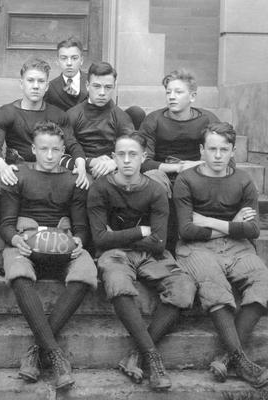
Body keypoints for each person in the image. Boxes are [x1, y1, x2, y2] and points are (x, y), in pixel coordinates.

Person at [87, 133, 196, 391]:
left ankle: (137, 354)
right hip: (115, 254)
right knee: (116, 279)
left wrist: (119, 237)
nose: (126, 160)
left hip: (150, 255)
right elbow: (100, 240)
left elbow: (159, 243)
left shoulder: (156, 190)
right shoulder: (100, 189)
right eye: (121, 155)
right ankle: (154, 358)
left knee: (183, 288)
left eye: (132, 155)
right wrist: (140, 232)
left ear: (143, 158)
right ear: (113, 157)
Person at [173, 122, 268, 389]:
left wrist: (209, 220)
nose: (218, 155)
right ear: (201, 150)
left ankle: (226, 358)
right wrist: (232, 224)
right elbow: (186, 229)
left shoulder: (243, 180)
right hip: (195, 248)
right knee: (214, 285)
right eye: (212, 149)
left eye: (224, 149)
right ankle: (241, 363)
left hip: (238, 247)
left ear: (232, 151)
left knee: (264, 282)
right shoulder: (186, 179)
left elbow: (252, 229)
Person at [0, 121, 97, 390]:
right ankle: (54, 355)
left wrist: (79, 241)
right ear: (33, 148)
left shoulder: (73, 180)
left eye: (55, 149)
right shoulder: (17, 175)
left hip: (62, 245)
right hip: (27, 244)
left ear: (63, 149)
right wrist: (15, 239)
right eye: (44, 149)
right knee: (17, 273)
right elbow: (6, 224)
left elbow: (81, 227)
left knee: (86, 271)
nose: (50, 155)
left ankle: (37, 349)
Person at [138, 69, 220, 252]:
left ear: (192, 96)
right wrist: (177, 167)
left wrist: (196, 165)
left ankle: (199, 243)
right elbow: (143, 161)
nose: (171, 97)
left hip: (197, 173)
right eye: (168, 92)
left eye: (178, 92)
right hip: (164, 173)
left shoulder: (208, 120)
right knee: (154, 180)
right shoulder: (154, 120)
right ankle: (163, 245)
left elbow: (226, 159)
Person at [0, 57, 88, 191]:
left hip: (50, 170)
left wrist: (81, 167)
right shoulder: (5, 113)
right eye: (30, 80)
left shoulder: (58, 115)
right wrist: (3, 167)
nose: (35, 86)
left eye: (41, 81)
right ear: (21, 83)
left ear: (47, 86)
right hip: (19, 172)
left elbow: (72, 144)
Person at [66, 62, 135, 180]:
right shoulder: (72, 115)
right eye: (97, 86)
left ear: (114, 87)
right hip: (81, 168)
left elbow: (133, 149)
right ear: (87, 86)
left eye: (108, 87)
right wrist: (90, 162)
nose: (102, 93)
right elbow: (62, 152)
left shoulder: (120, 116)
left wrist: (115, 162)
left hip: (111, 170)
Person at [43, 37, 88, 112]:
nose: (69, 63)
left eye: (74, 58)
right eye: (64, 58)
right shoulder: (50, 88)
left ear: (81, 60)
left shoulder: (92, 82)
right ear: (57, 61)